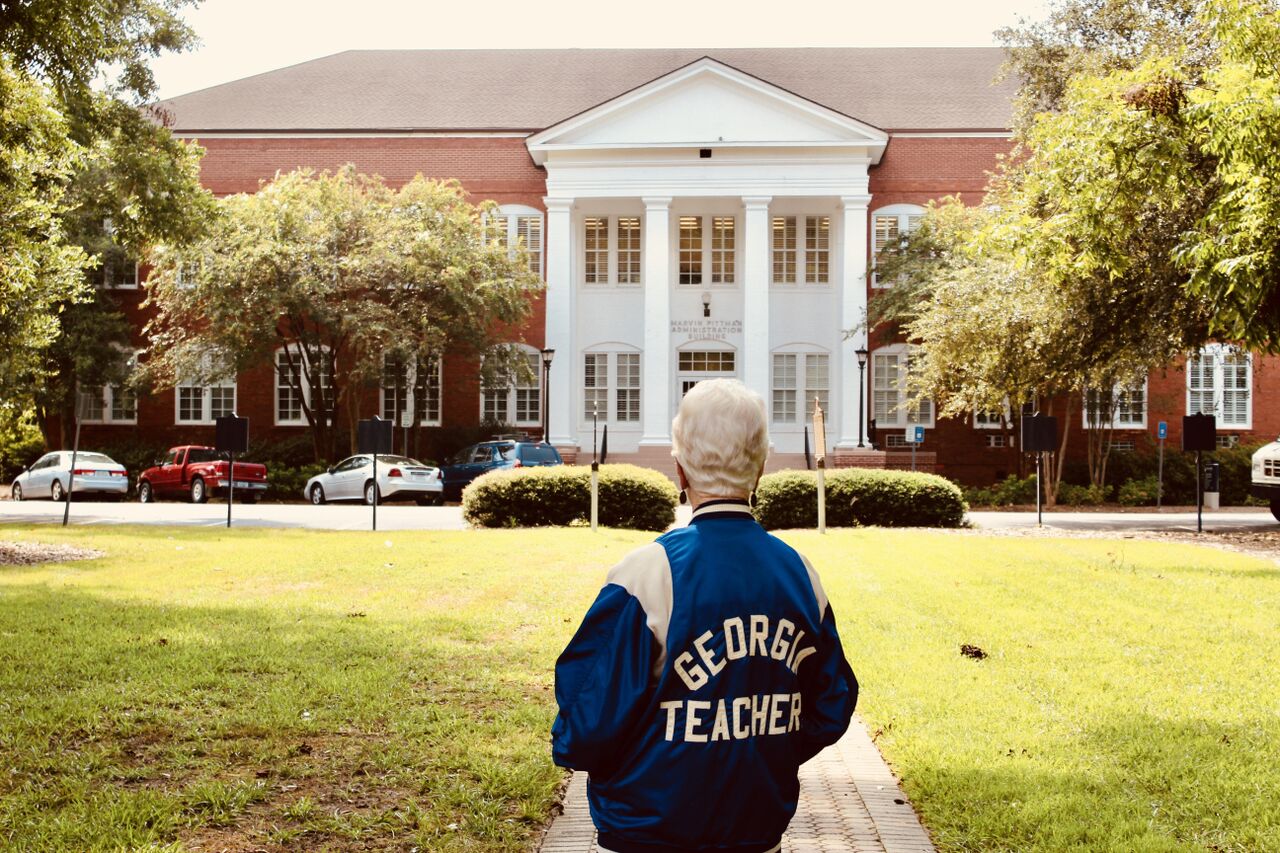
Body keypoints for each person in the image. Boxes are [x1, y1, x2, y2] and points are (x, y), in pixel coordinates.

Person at [552, 378, 858, 853]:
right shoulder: (799, 572)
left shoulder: (646, 573)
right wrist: (766, 750)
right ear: (759, 470)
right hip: (756, 827)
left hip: (649, 828)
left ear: (680, 470)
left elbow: (589, 721)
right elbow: (831, 701)